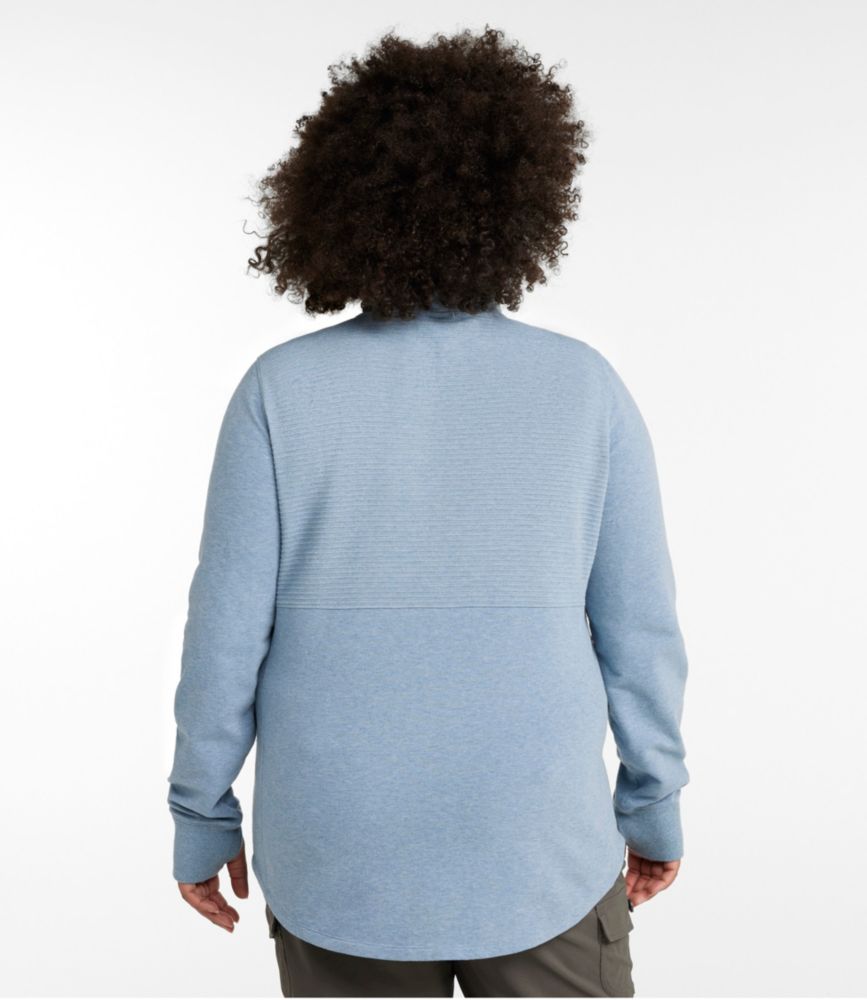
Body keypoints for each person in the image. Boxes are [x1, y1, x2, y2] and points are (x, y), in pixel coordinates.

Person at [166, 25, 690, 998]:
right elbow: (640, 631)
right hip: (538, 841)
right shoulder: (584, 388)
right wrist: (652, 802)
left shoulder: (279, 391)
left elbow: (225, 633)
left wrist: (201, 812)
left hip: (339, 850)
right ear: (523, 199)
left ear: (335, 200)